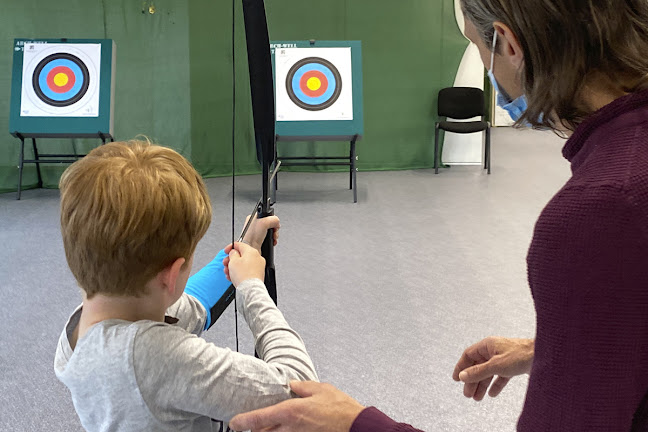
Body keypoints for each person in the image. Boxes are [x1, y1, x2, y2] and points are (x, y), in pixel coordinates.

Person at [229, 0, 648, 430]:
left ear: (508, 45)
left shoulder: (604, 210)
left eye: (477, 45)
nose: (485, 63)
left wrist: (355, 424)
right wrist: (554, 348)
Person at [53, 139, 318, 431]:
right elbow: (303, 391)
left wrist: (246, 245)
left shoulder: (86, 322)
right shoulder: (156, 358)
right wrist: (252, 286)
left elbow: (189, 304)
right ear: (172, 273)